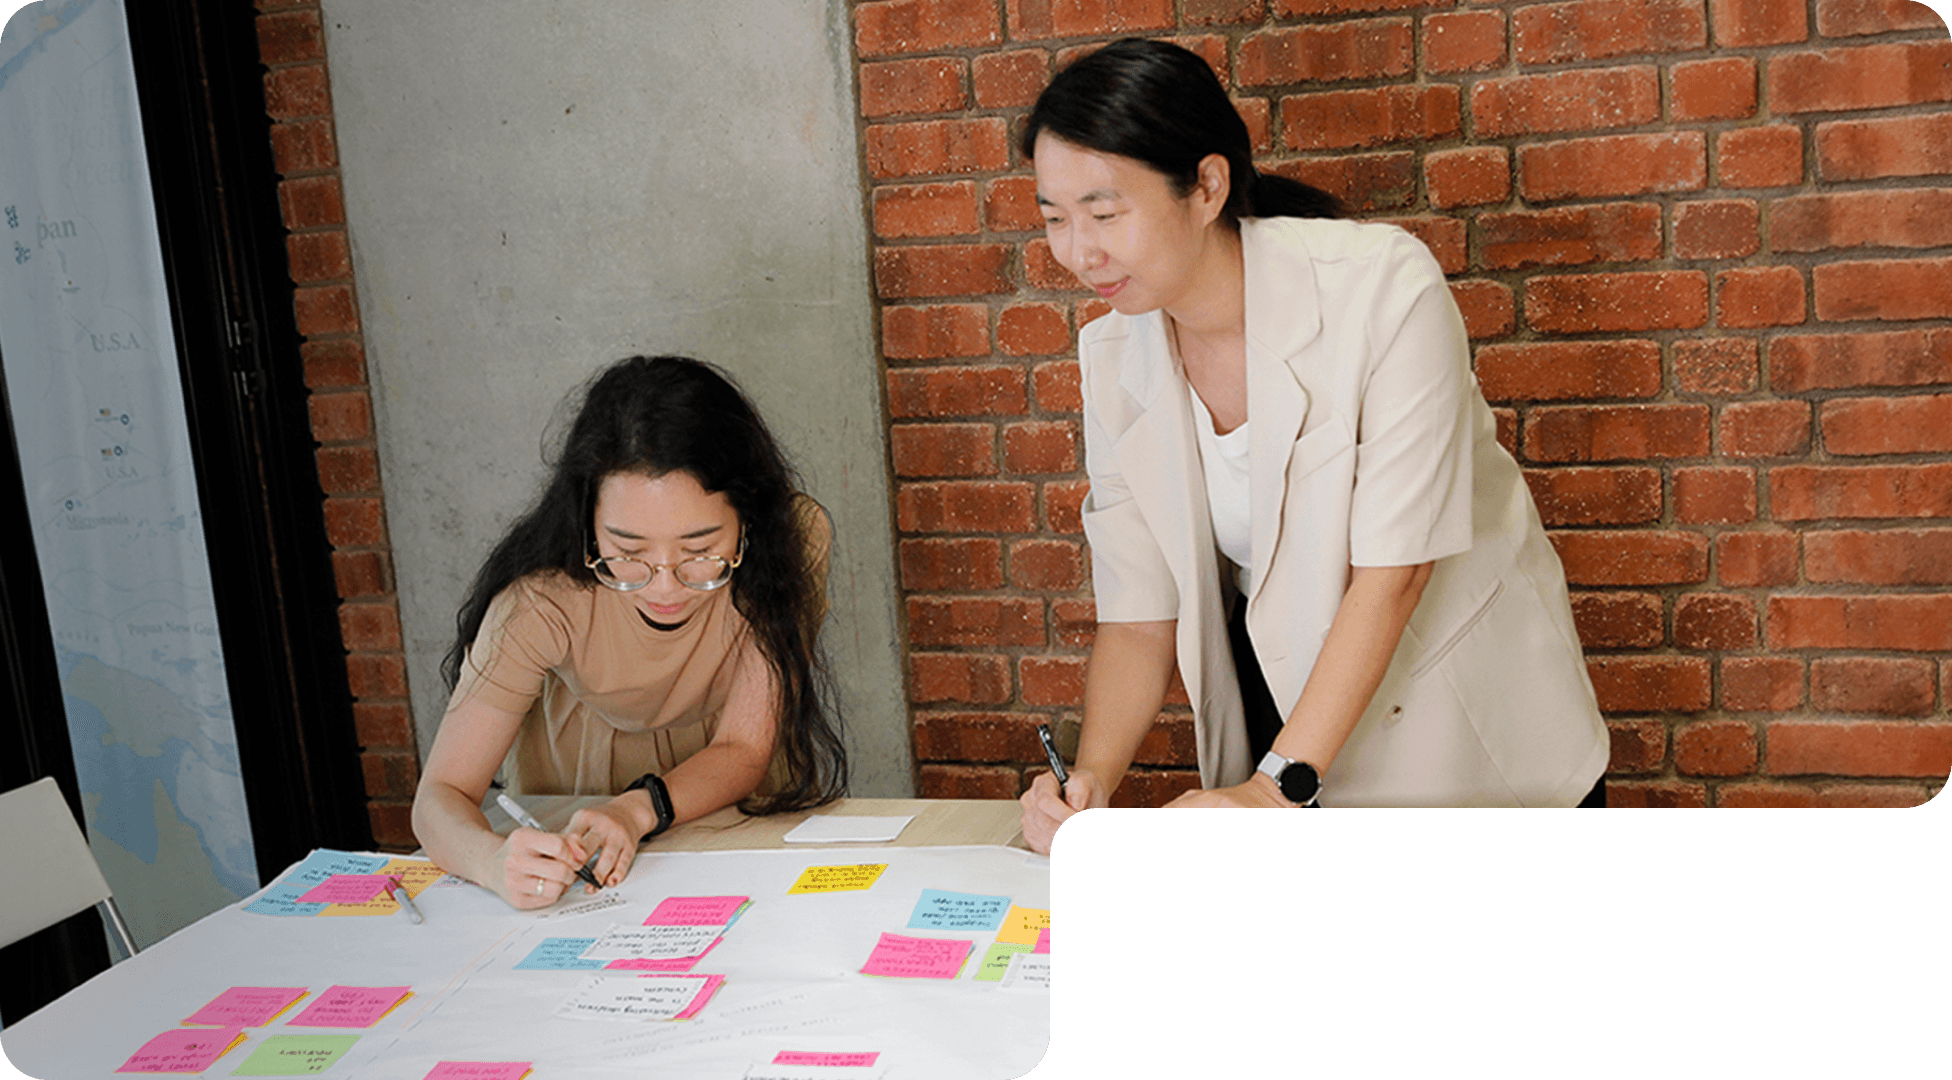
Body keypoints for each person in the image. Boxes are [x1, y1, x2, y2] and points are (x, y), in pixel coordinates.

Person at [1018, 39, 1609, 853]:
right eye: (1055, 218)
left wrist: (1275, 787)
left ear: (1207, 186)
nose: (1078, 252)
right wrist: (1090, 778)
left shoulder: (1383, 287)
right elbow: (1139, 617)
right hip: (1293, 725)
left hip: (1462, 737)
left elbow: (1395, 574)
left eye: (1105, 214)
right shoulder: (1114, 355)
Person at [413, 354, 847, 908]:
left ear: (748, 519)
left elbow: (742, 747)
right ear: (587, 524)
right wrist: (491, 862)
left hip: (724, 796)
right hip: (576, 796)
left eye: (699, 550)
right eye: (627, 551)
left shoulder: (791, 540)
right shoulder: (539, 600)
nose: (665, 587)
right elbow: (439, 797)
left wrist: (639, 809)